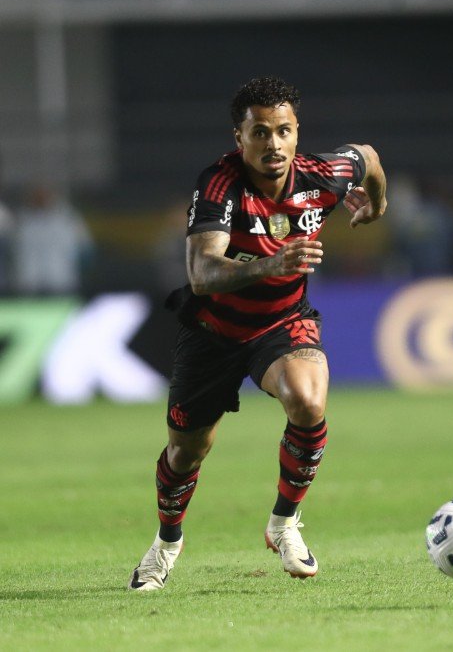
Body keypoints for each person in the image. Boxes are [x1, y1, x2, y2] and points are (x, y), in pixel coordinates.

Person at [128, 77, 388, 591]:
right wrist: (274, 263)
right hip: (213, 332)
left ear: (297, 134)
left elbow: (370, 157)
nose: (273, 143)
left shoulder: (324, 175)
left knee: (308, 402)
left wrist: (377, 203)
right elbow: (202, 273)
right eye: (261, 132)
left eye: (284, 131)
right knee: (185, 454)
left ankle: (285, 524)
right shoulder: (218, 186)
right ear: (239, 138)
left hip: (281, 322)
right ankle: (166, 545)